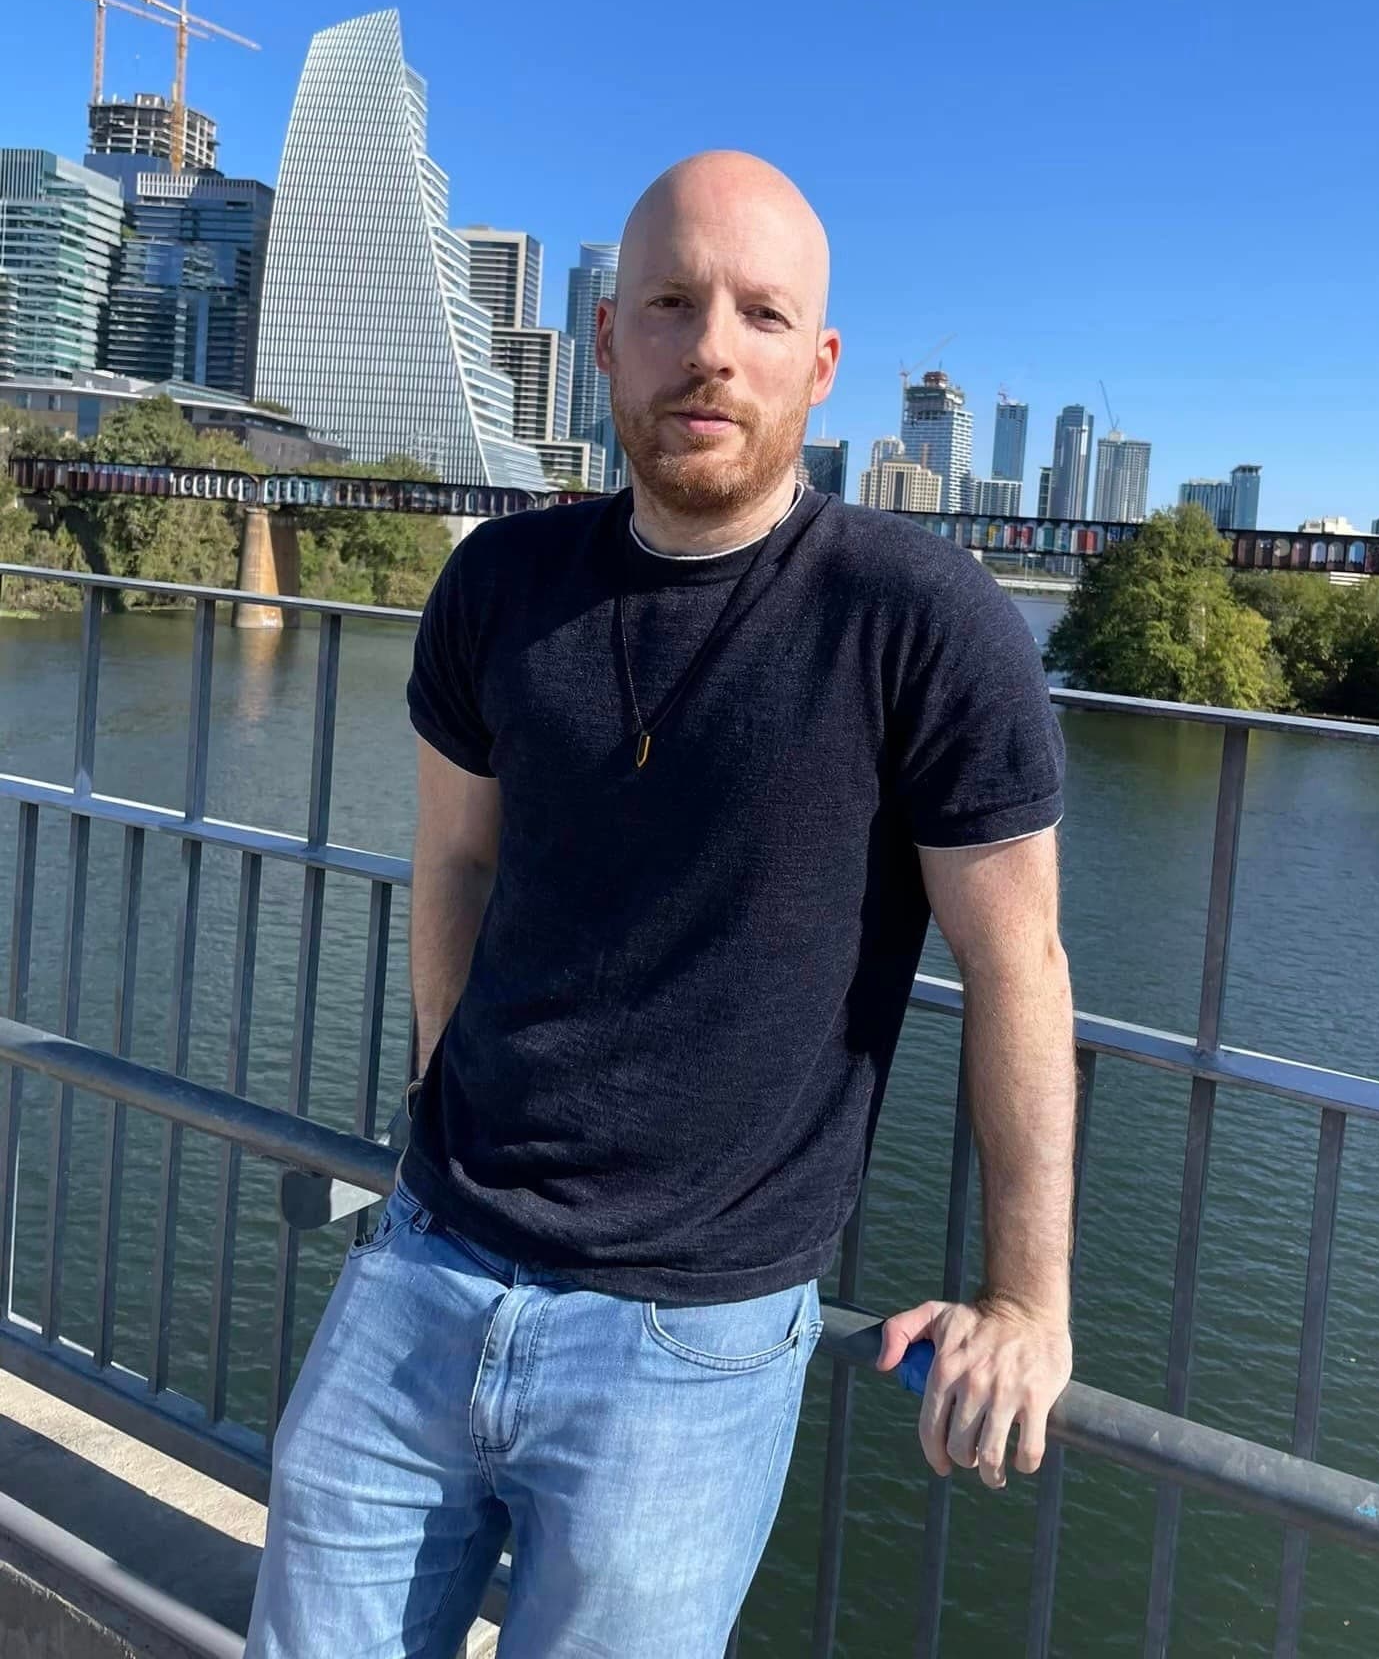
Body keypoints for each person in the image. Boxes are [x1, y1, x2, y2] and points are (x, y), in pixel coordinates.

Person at [246, 151, 1076, 1658]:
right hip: (426, 1266)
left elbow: (1017, 961)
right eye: (673, 303)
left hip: (686, 1346)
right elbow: (454, 862)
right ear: (608, 333)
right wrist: (437, 1081)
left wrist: (1029, 1300)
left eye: (763, 315)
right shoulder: (499, 584)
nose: (712, 347)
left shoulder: (923, 621)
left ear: (820, 367)